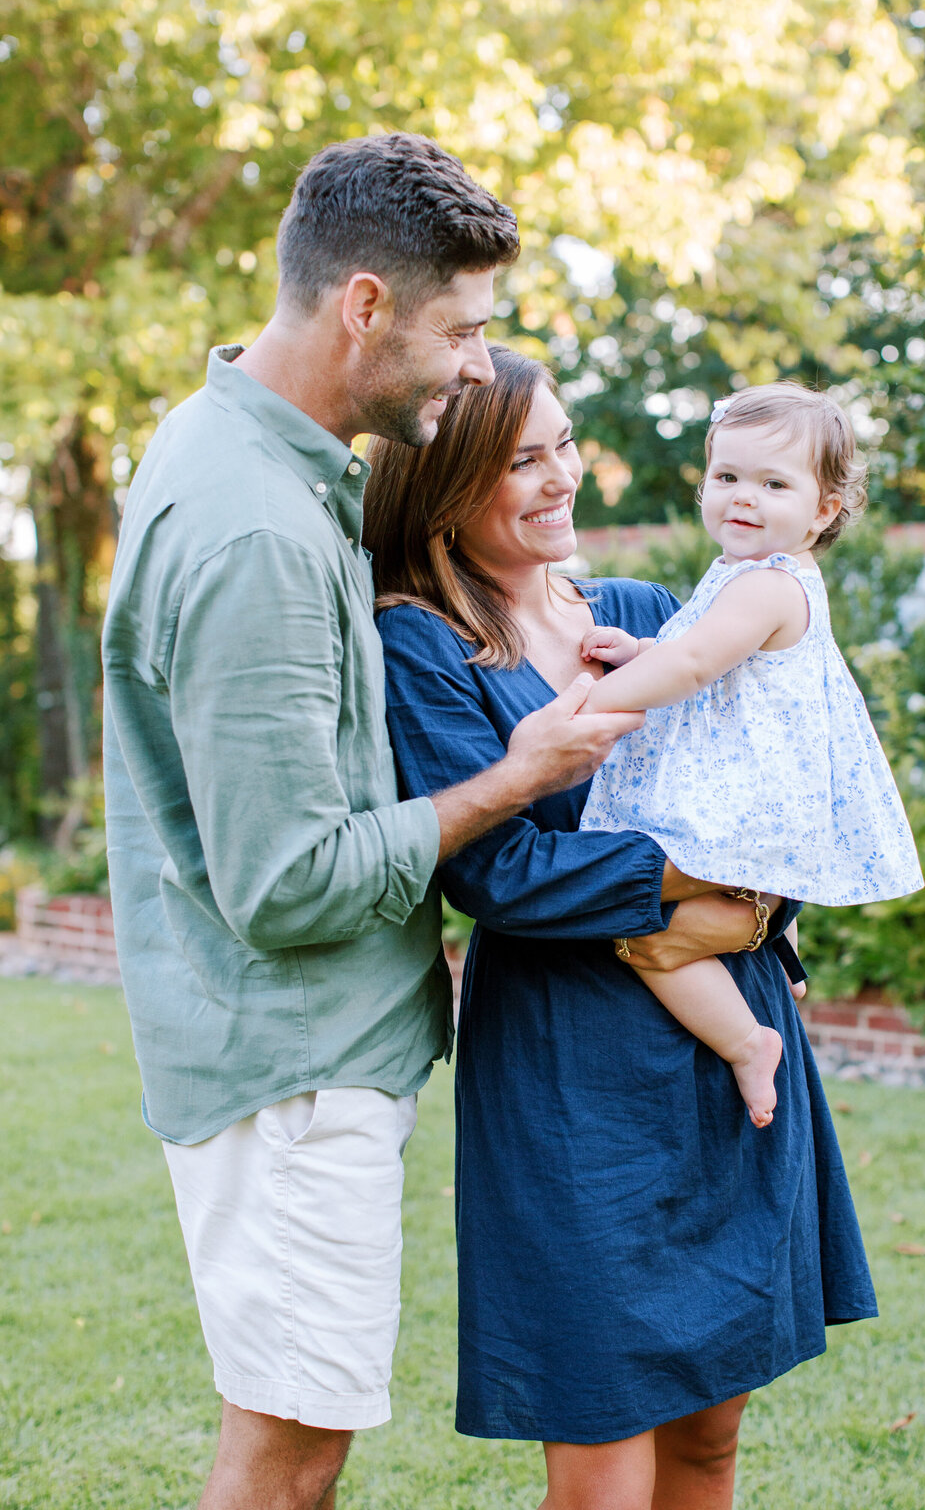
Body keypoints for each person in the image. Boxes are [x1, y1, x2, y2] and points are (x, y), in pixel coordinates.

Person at [102, 136, 646, 1510]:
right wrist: (512, 778)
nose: (477, 367)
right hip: (288, 1067)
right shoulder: (261, 538)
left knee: (296, 1438)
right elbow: (285, 883)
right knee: (287, 1457)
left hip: (295, 1055)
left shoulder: (251, 457)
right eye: (461, 331)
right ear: (363, 305)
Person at [365, 345, 878, 1510]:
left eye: (563, 445)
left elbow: (778, 776)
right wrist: (692, 885)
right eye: (519, 460)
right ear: (444, 482)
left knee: (710, 1437)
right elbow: (498, 871)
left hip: (718, 1045)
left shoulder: (648, 612)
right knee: (601, 1461)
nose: (561, 478)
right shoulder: (423, 644)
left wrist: (756, 906)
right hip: (568, 1074)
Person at [578, 382, 924, 1127]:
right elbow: (707, 655)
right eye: (727, 477)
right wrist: (644, 648)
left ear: (824, 509)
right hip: (758, 801)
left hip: (748, 806)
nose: (743, 498)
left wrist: (594, 702)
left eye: (774, 483)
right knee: (641, 923)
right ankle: (766, 927)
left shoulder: (770, 583)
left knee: (634, 926)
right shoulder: (746, 576)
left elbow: (698, 664)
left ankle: (746, 1038)